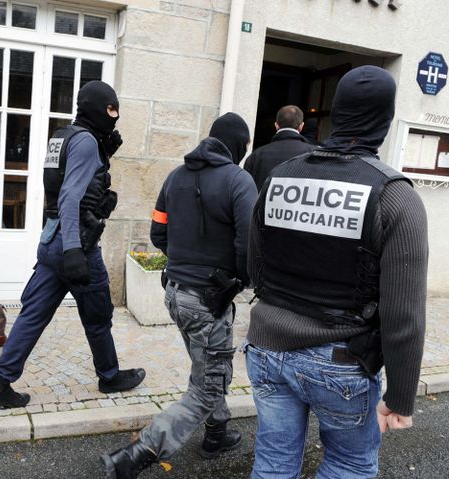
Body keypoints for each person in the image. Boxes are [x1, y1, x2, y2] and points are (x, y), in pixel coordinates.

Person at [245, 65, 428, 477]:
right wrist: (401, 397)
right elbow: (404, 314)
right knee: (349, 464)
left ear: (335, 114)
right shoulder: (393, 195)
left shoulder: (279, 176)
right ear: (386, 119)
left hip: (267, 345)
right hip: (340, 358)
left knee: (273, 461)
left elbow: (255, 264)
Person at [101, 113, 258, 478]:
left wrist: (185, 259)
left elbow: (158, 232)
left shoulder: (176, 176)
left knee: (207, 369)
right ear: (239, 145)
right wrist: (238, 280)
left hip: (174, 293)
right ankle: (135, 454)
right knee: (206, 386)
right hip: (209, 299)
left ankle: (216, 432)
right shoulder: (239, 180)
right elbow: (250, 245)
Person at [0, 80, 144, 408]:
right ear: (97, 108)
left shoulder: (63, 136)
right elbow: (71, 196)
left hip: (50, 239)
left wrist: (103, 151)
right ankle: (110, 377)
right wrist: (74, 250)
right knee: (98, 316)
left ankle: (0, 383)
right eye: (111, 109)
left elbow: (63, 181)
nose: (115, 116)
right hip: (77, 244)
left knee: (33, 314)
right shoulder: (85, 141)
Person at [243, 105, 316, 191]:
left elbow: (246, 190)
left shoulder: (256, 155)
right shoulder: (314, 154)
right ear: (301, 126)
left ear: (276, 125)